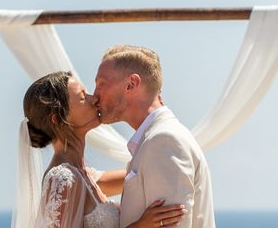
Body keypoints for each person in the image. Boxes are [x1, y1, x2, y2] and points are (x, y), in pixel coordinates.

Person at [16, 71, 187, 228]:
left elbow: (140, 171)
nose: (94, 99)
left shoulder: (86, 176)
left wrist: (152, 109)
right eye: (83, 97)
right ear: (58, 119)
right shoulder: (62, 178)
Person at [93, 46, 216, 228]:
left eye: (101, 84)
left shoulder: (164, 140)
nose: (94, 95)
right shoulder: (155, 139)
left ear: (131, 84)